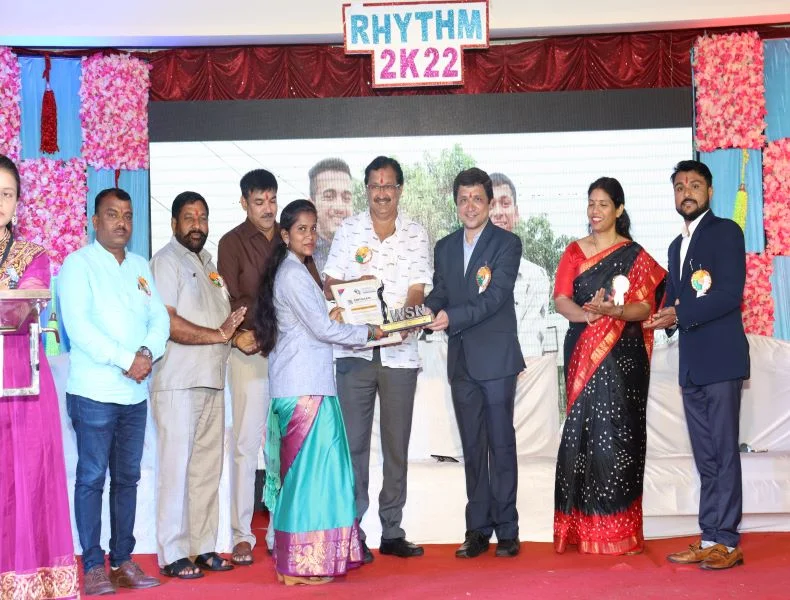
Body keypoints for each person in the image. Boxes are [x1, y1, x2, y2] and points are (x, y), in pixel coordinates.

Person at [254, 199, 384, 585]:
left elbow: (316, 324)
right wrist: (369, 331)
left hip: (304, 386)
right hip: (304, 390)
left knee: (308, 478)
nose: (310, 236)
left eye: (313, 229)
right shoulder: (293, 274)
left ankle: (301, 560)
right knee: (309, 480)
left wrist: (339, 315)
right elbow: (323, 330)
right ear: (284, 235)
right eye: (301, 229)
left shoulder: (295, 270)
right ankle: (300, 565)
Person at [59, 188, 170, 595]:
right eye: (112, 214)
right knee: (91, 478)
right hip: (93, 393)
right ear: (95, 222)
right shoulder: (78, 264)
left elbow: (160, 320)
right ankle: (92, 566)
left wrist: (147, 353)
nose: (121, 222)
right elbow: (79, 327)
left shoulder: (140, 265)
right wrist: (127, 359)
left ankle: (123, 561)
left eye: (127, 215)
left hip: (134, 396)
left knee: (127, 479)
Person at [323, 156, 432, 562]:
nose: (381, 193)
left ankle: (392, 530)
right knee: (353, 446)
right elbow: (330, 283)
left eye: (388, 185)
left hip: (400, 354)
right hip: (355, 352)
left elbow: (418, 291)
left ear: (400, 189)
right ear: (366, 189)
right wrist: (359, 287)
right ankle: (352, 531)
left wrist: (404, 322)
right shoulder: (348, 230)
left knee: (395, 447)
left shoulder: (416, 233)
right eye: (374, 185)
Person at [553, 176, 666, 555]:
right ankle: (580, 528)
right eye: (591, 203)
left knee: (621, 438)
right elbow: (561, 300)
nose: (595, 210)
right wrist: (587, 316)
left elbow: (646, 307)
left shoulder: (635, 255)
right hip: (583, 349)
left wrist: (614, 311)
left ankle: (620, 531)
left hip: (624, 358)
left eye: (603, 204)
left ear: (619, 209)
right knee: (583, 437)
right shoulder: (574, 252)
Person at [646, 160, 749, 570]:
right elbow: (673, 298)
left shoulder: (726, 232)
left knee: (723, 453)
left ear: (709, 191)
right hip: (690, 366)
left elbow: (729, 295)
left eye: (694, 185)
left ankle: (727, 542)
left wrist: (679, 313)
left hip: (721, 361)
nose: (685, 192)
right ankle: (709, 537)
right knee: (706, 457)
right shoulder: (676, 246)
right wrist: (656, 315)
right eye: (679, 186)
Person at [217, 169, 322, 565]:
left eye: (272, 200)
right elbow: (228, 299)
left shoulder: (289, 237)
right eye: (258, 202)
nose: (267, 208)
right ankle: (242, 535)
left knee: (280, 449)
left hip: (290, 361)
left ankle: (281, 527)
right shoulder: (231, 243)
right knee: (246, 446)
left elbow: (314, 291)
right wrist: (244, 334)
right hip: (251, 354)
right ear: (244, 202)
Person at [424, 167, 524, 559]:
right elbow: (441, 291)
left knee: (501, 444)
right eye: (463, 199)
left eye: (477, 199)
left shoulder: (507, 243)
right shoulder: (445, 247)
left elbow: (495, 297)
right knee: (472, 447)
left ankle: (508, 529)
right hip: (462, 361)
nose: (470, 206)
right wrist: (424, 311)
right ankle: (478, 530)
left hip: (496, 360)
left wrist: (450, 317)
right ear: (456, 203)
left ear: (489, 202)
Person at [149, 192, 247, 578]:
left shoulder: (209, 264)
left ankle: (202, 547)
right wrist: (220, 334)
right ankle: (173, 552)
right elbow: (168, 322)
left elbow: (222, 327)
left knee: (206, 471)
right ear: (174, 223)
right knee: (176, 470)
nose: (197, 224)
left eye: (202, 217)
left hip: (212, 381)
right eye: (189, 217)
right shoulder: (165, 261)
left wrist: (237, 337)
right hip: (178, 382)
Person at [0, 155, 79, 599]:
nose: (0, 202)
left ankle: (26, 581)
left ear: (18, 202)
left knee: (26, 476)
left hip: (22, 379)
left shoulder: (34, 256)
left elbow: (24, 303)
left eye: (7, 194)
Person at [490, 172, 551, 357]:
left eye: (505, 203)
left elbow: (529, 349)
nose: (498, 212)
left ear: (516, 214)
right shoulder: (460, 273)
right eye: (491, 204)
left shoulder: (535, 277)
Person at [308, 158, 354, 274]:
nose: (339, 208)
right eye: (329, 197)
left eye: (346, 198)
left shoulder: (365, 251)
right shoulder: (301, 259)